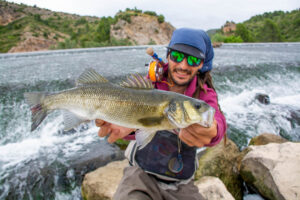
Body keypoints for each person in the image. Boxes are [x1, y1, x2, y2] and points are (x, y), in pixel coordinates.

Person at [95, 28, 227, 200]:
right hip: (140, 174)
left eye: (193, 60)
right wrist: (128, 128)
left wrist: (214, 131)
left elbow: (217, 120)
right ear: (168, 55)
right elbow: (137, 129)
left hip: (180, 183)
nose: (183, 66)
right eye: (177, 56)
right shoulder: (149, 84)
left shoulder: (204, 94)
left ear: (202, 64)